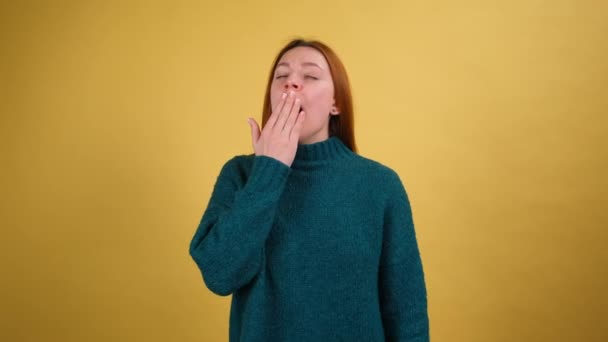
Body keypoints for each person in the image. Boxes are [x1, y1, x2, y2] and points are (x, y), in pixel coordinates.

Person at [189, 38, 430, 341]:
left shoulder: (380, 185)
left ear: (335, 103)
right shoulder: (240, 174)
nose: (291, 84)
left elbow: (406, 312)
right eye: (281, 76)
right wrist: (269, 170)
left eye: (310, 76)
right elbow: (219, 274)